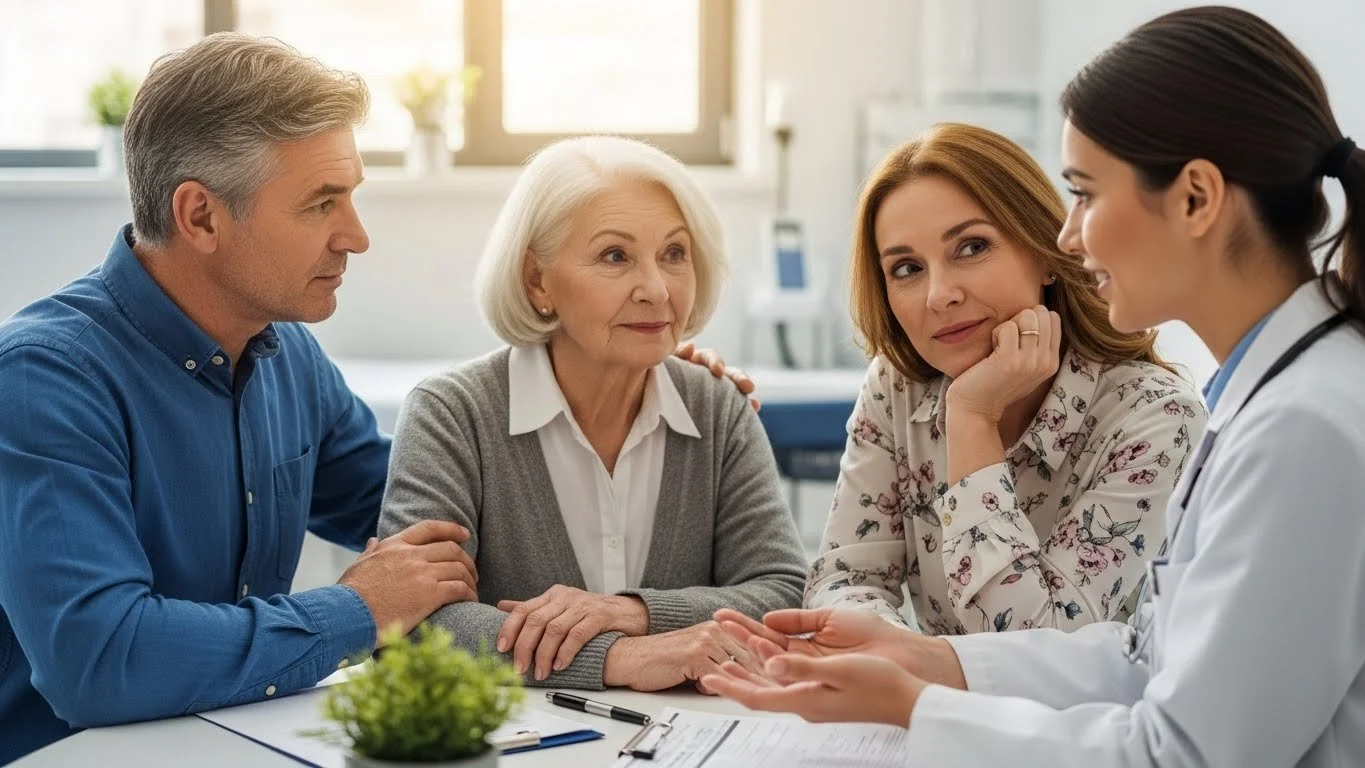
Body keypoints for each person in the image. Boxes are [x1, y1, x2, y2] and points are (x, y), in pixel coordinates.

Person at [0, 36, 748, 764]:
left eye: (351, 196)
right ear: (200, 216)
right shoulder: (46, 377)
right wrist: (357, 611)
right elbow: (98, 659)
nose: (355, 237)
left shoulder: (287, 355)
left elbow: (451, 534)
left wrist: (616, 371)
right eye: (321, 204)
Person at [704, 7, 1365, 766]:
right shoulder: (1271, 396)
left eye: (1084, 193)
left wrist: (920, 707)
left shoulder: (1300, 427)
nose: (1069, 233)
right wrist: (930, 664)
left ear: (1194, 198)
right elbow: (1149, 659)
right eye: (906, 268)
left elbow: (1182, 753)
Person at [378, 135, 807, 692]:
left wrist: (633, 611)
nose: (656, 289)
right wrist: (622, 658)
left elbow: (782, 591)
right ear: (537, 281)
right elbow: (409, 624)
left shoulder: (718, 406)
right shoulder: (451, 413)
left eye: (674, 254)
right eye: (615, 256)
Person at [806, 123, 1205, 634]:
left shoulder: (1155, 418)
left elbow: (1033, 642)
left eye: (971, 247)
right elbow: (844, 579)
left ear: (1045, 253)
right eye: (906, 268)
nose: (939, 295)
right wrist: (889, 649)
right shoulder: (897, 387)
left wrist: (973, 418)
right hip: (927, 706)